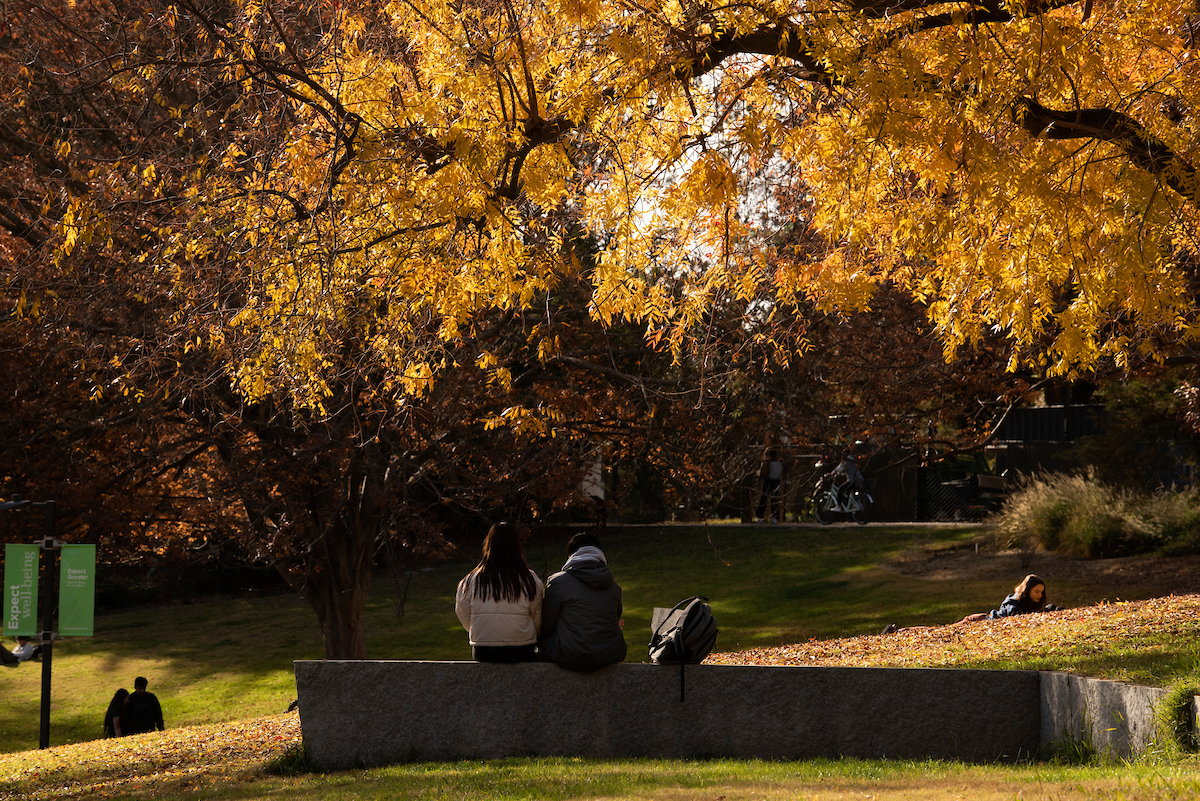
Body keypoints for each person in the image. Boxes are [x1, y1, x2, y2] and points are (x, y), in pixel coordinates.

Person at [455, 521, 544, 663]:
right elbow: (538, 618)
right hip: (521, 649)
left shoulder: (470, 580)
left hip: (484, 650)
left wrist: (481, 632)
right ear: (516, 545)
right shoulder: (530, 579)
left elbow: (463, 613)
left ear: (489, 544)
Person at [539, 532, 626, 672]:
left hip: (568, 654)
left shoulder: (558, 582)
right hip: (608, 654)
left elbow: (547, 623)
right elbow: (615, 620)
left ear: (570, 556)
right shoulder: (614, 587)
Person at [755, 448, 785, 523]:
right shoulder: (779, 464)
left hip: (768, 480)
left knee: (763, 498)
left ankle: (760, 516)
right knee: (774, 499)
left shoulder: (767, 463)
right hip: (776, 481)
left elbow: (763, 472)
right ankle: (775, 517)